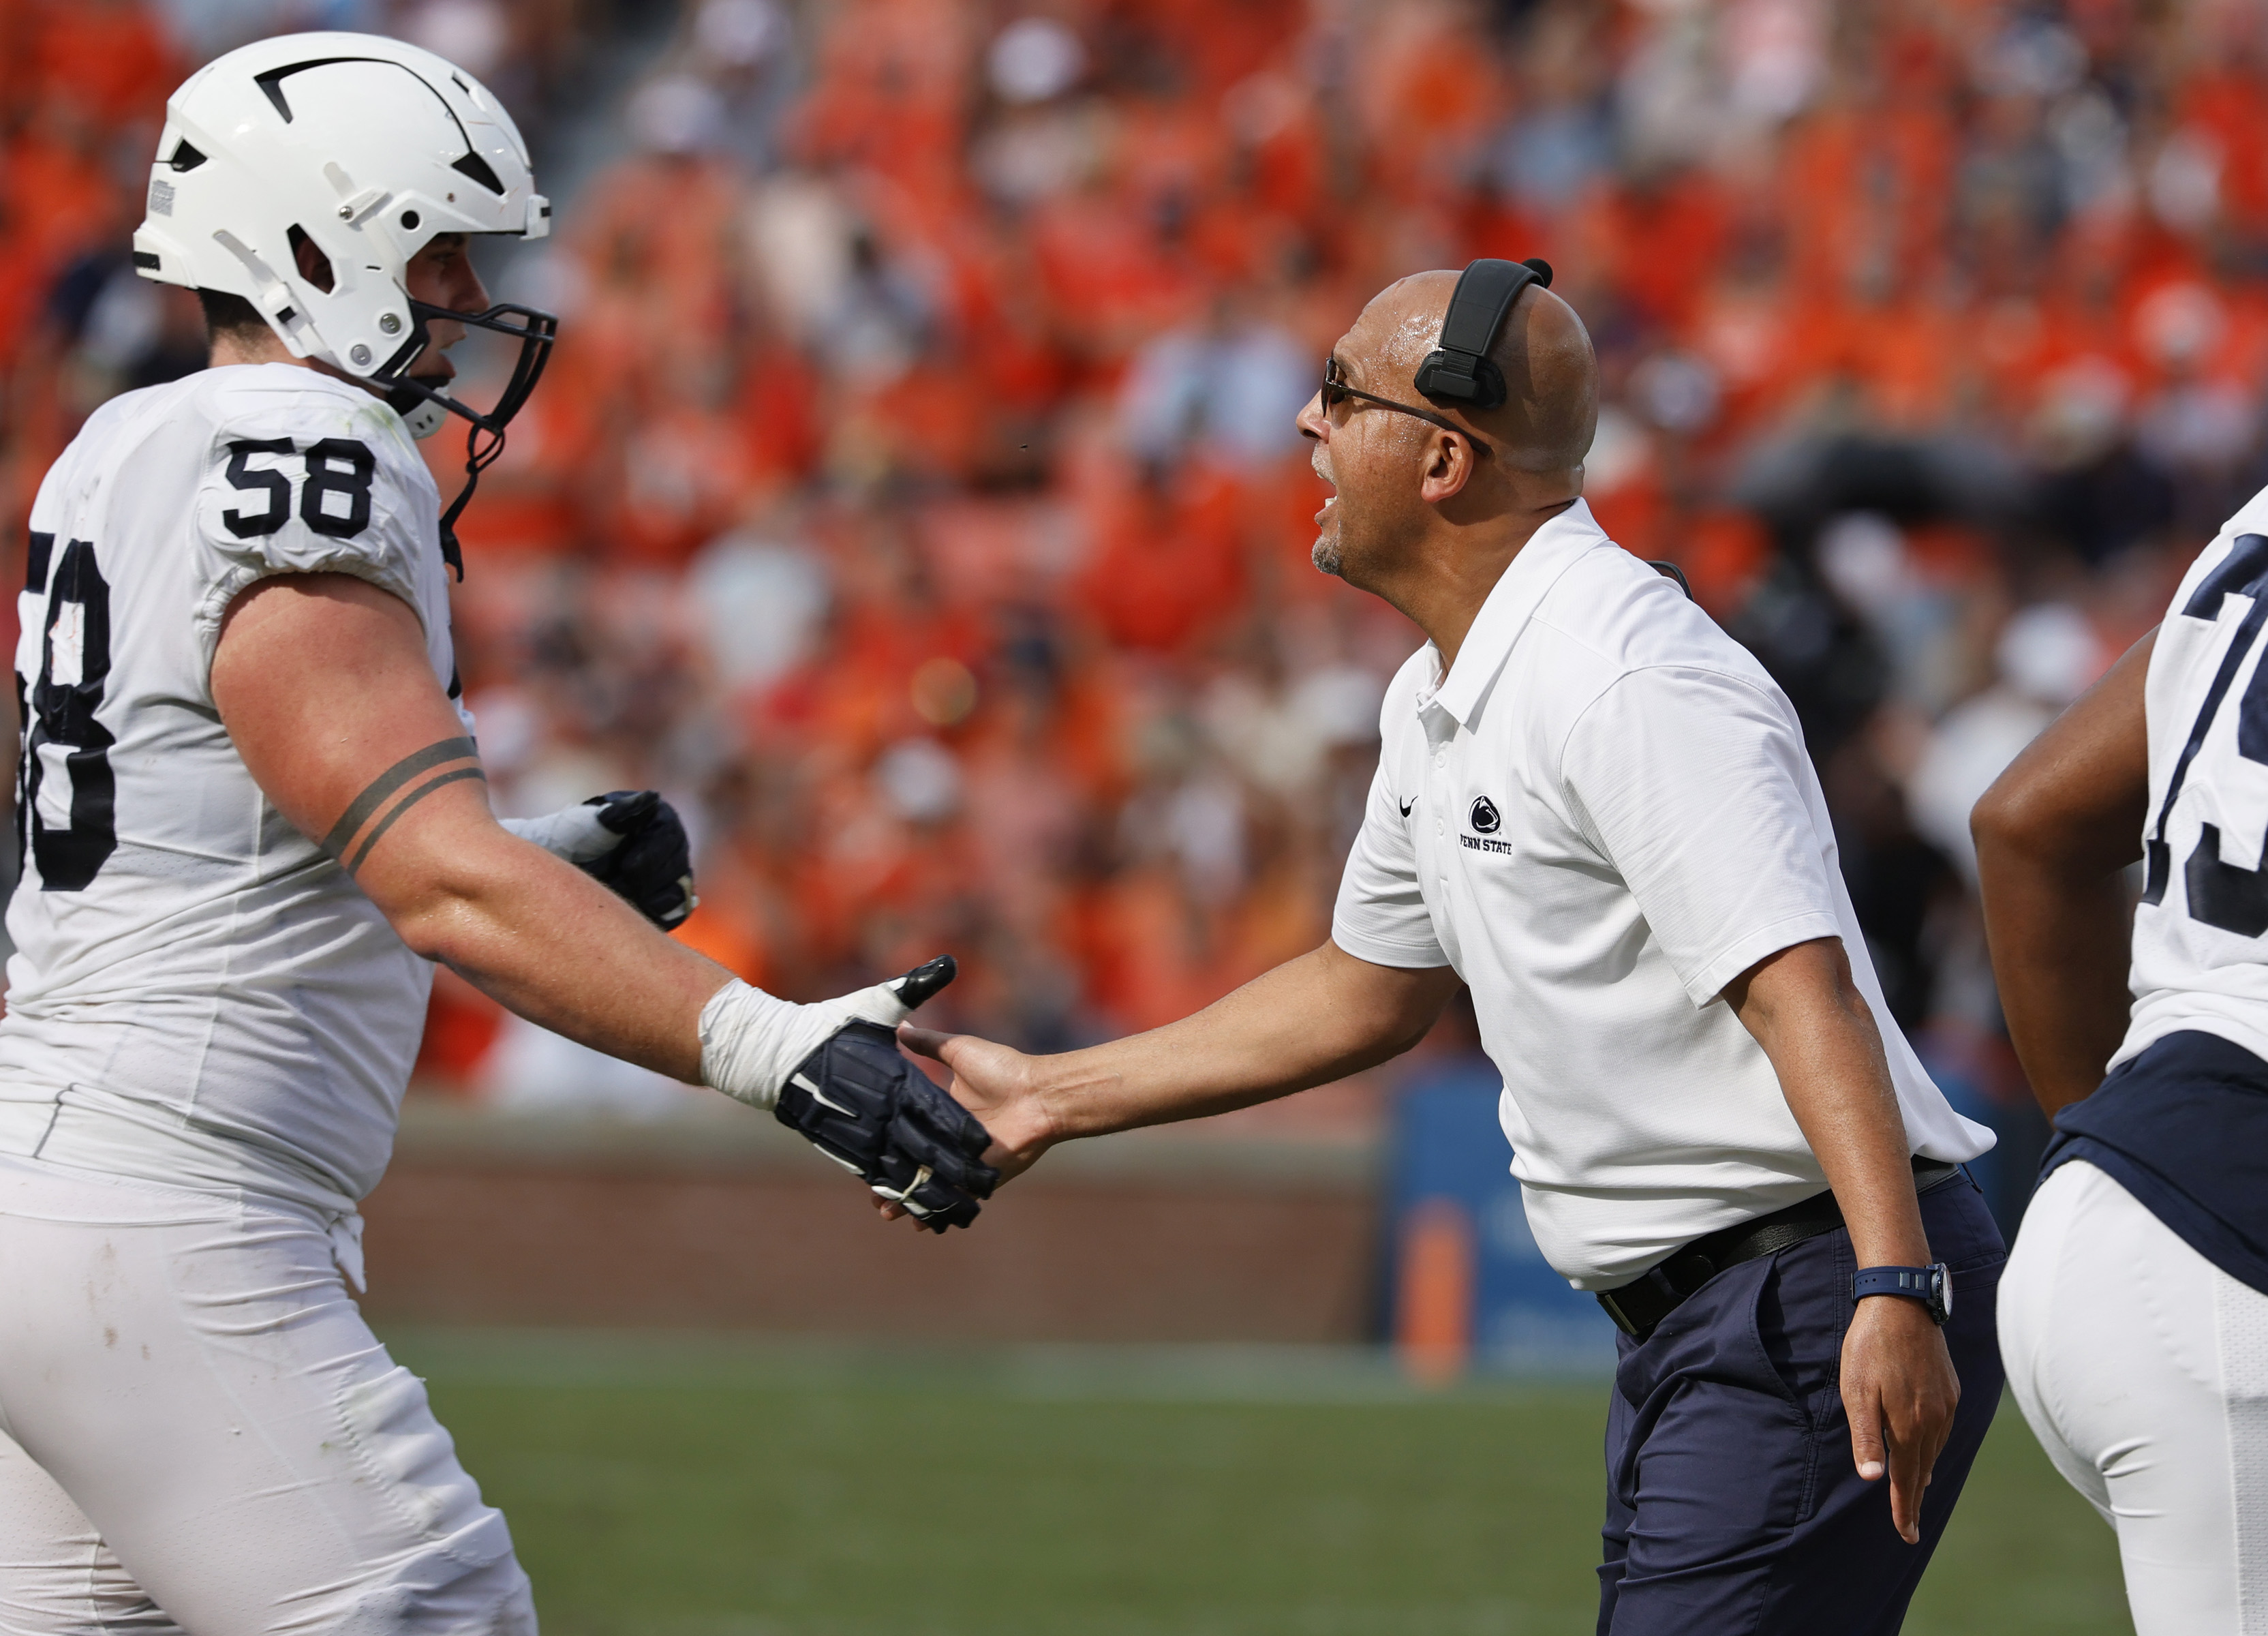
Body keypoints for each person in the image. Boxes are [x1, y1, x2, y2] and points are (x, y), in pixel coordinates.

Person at [0, 33, 982, 1633]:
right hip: (170, 1214)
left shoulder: (126, 443)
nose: (470, 289)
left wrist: (537, 844)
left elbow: (239, 838)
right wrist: (773, 1047)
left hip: (67, 1187)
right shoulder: (301, 450)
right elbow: (434, 882)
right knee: (434, 1609)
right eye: (432, 244)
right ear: (309, 245)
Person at [898, 261, 2005, 1634]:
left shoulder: (1622, 673)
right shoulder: (1445, 684)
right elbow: (1367, 989)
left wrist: (1894, 1283)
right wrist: (1054, 1093)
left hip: (1806, 1283)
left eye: (1338, 395)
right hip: (1726, 1308)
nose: (1306, 427)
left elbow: (1802, 993)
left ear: (1440, 456)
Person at [1976, 519, 2268, 1634]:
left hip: (2130, 1212)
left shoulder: (2249, 530)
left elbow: (2025, 825)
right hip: (2228, 1261)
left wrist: (2122, 1156)